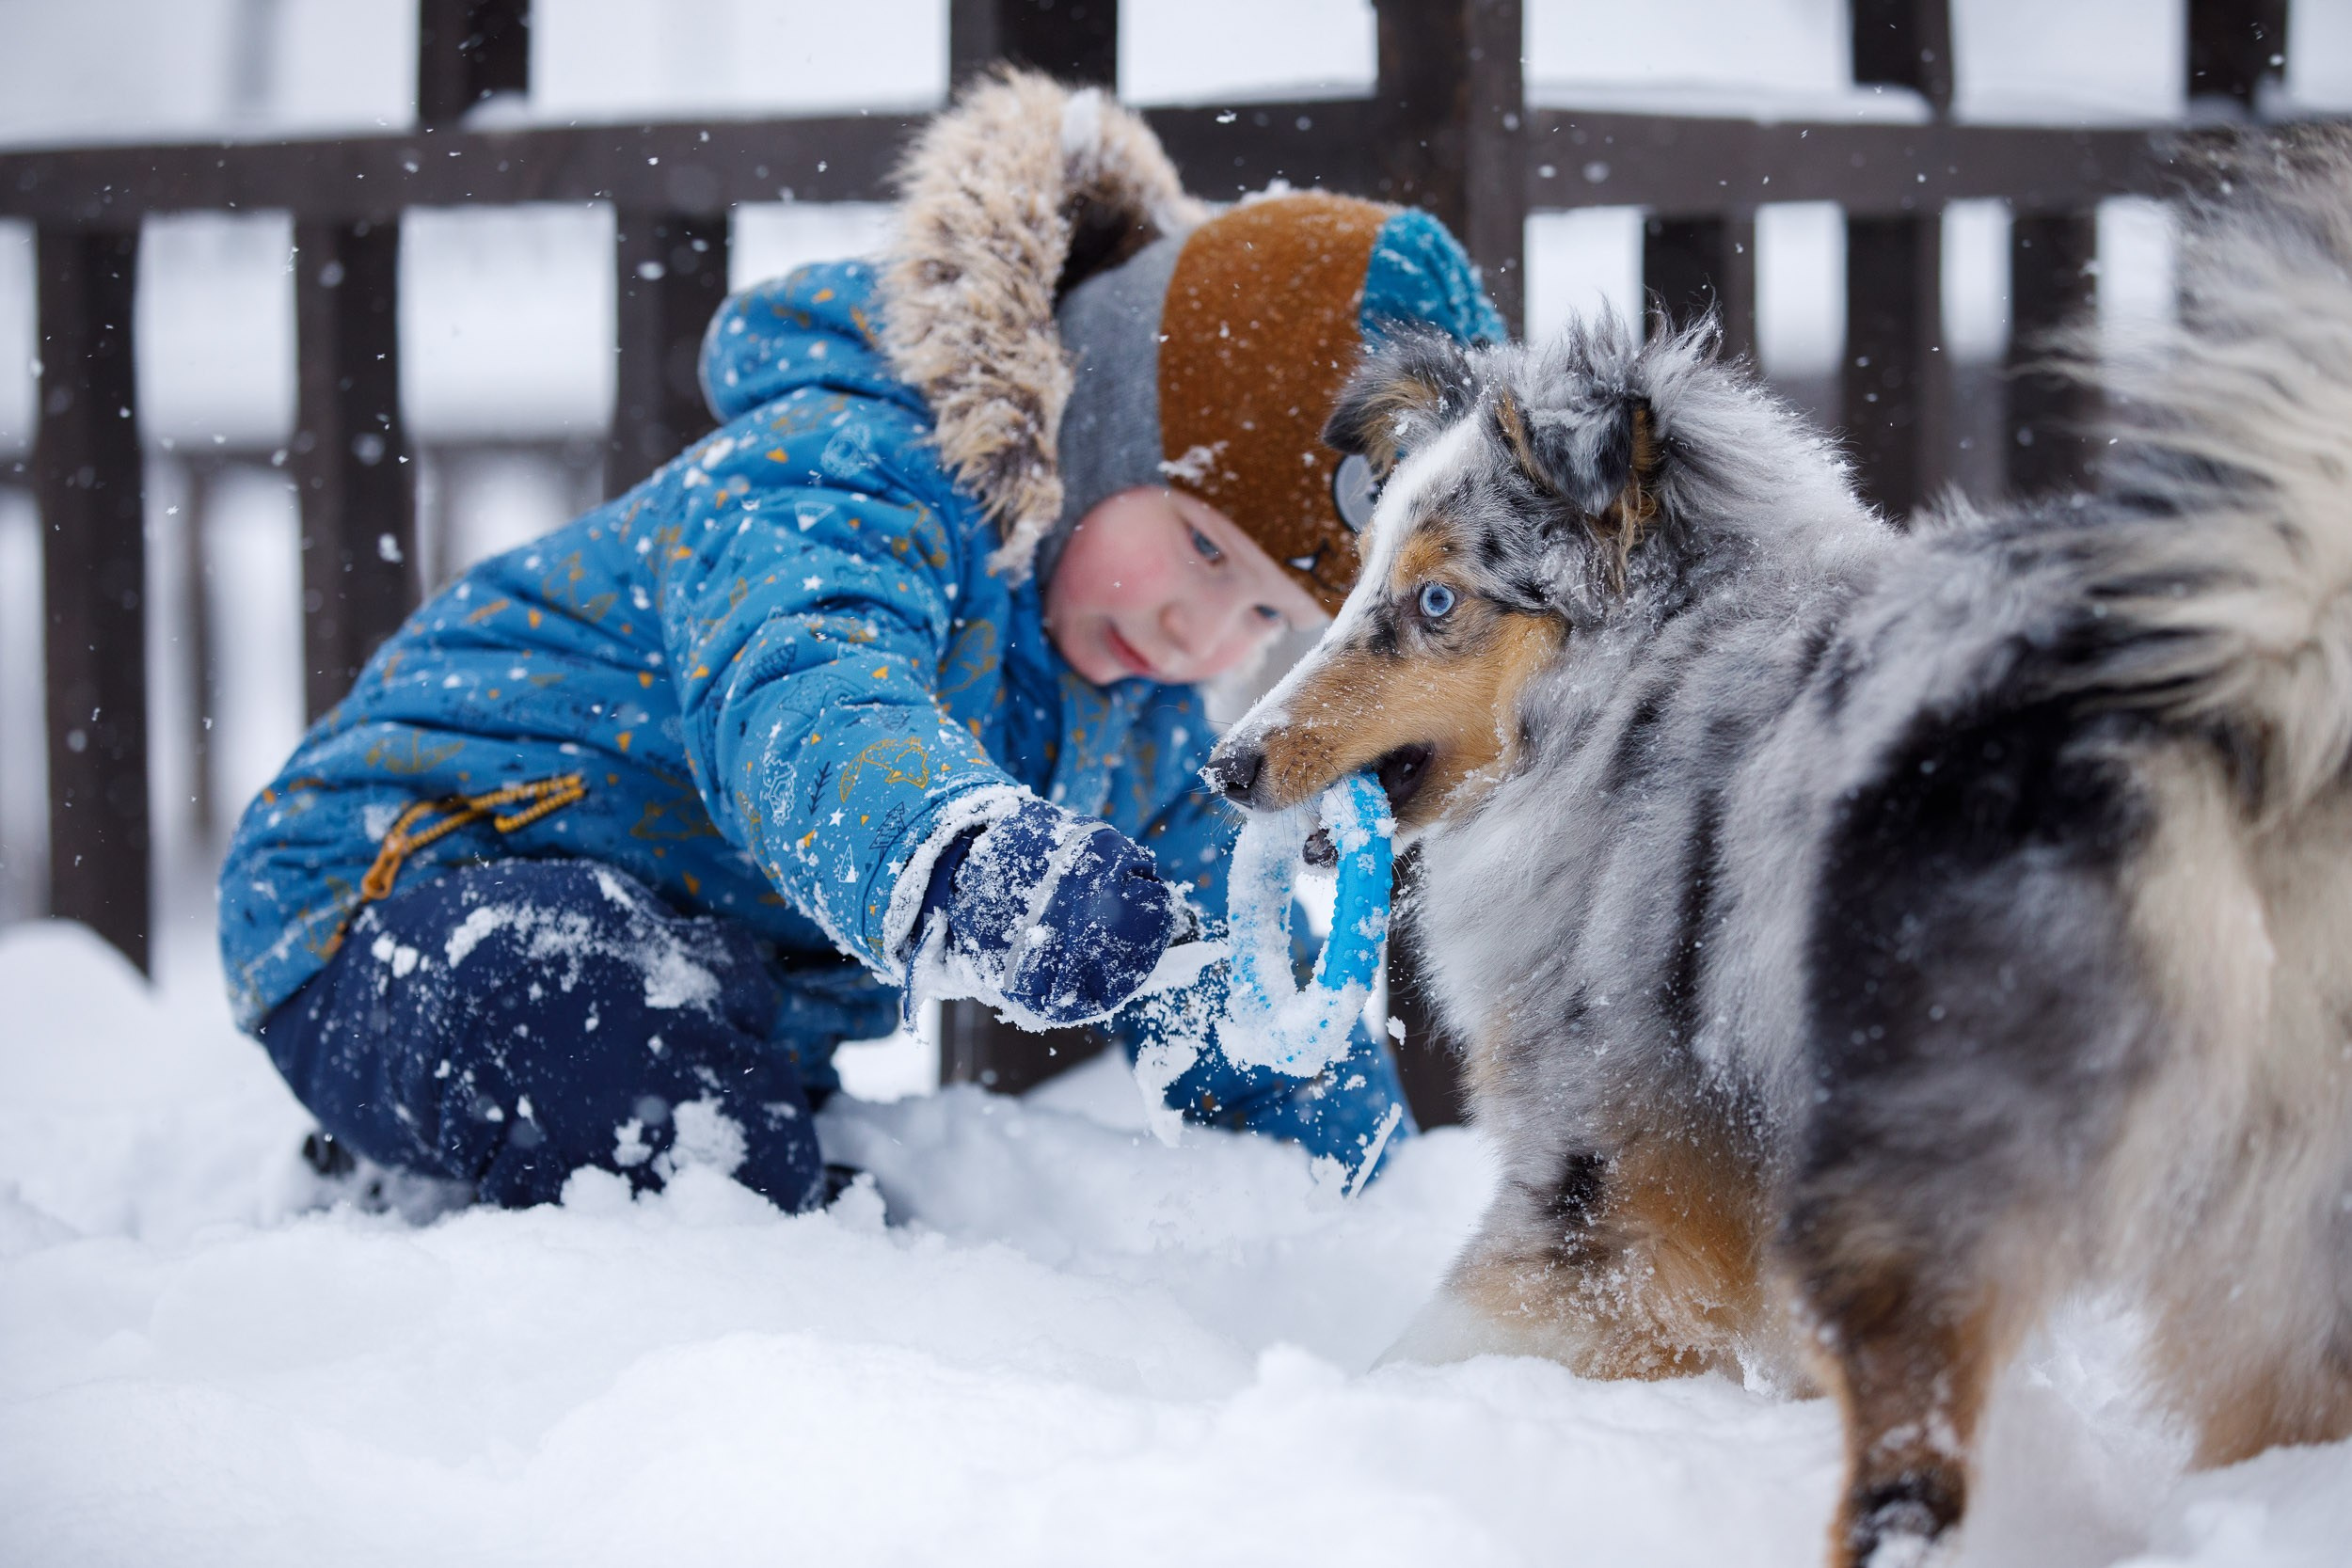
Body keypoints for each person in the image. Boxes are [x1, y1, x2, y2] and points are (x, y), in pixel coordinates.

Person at [215, 71, 1505, 1212]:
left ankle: (554, 1179)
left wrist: (1367, 1203)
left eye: (1272, 616)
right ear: (1098, 423)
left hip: (696, 983)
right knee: (618, 1047)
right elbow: (806, 699)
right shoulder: (850, 468)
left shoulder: (1138, 714)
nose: (1199, 630)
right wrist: (962, 860)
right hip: (400, 895)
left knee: (713, 1117)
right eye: (1204, 549)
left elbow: (1241, 977)